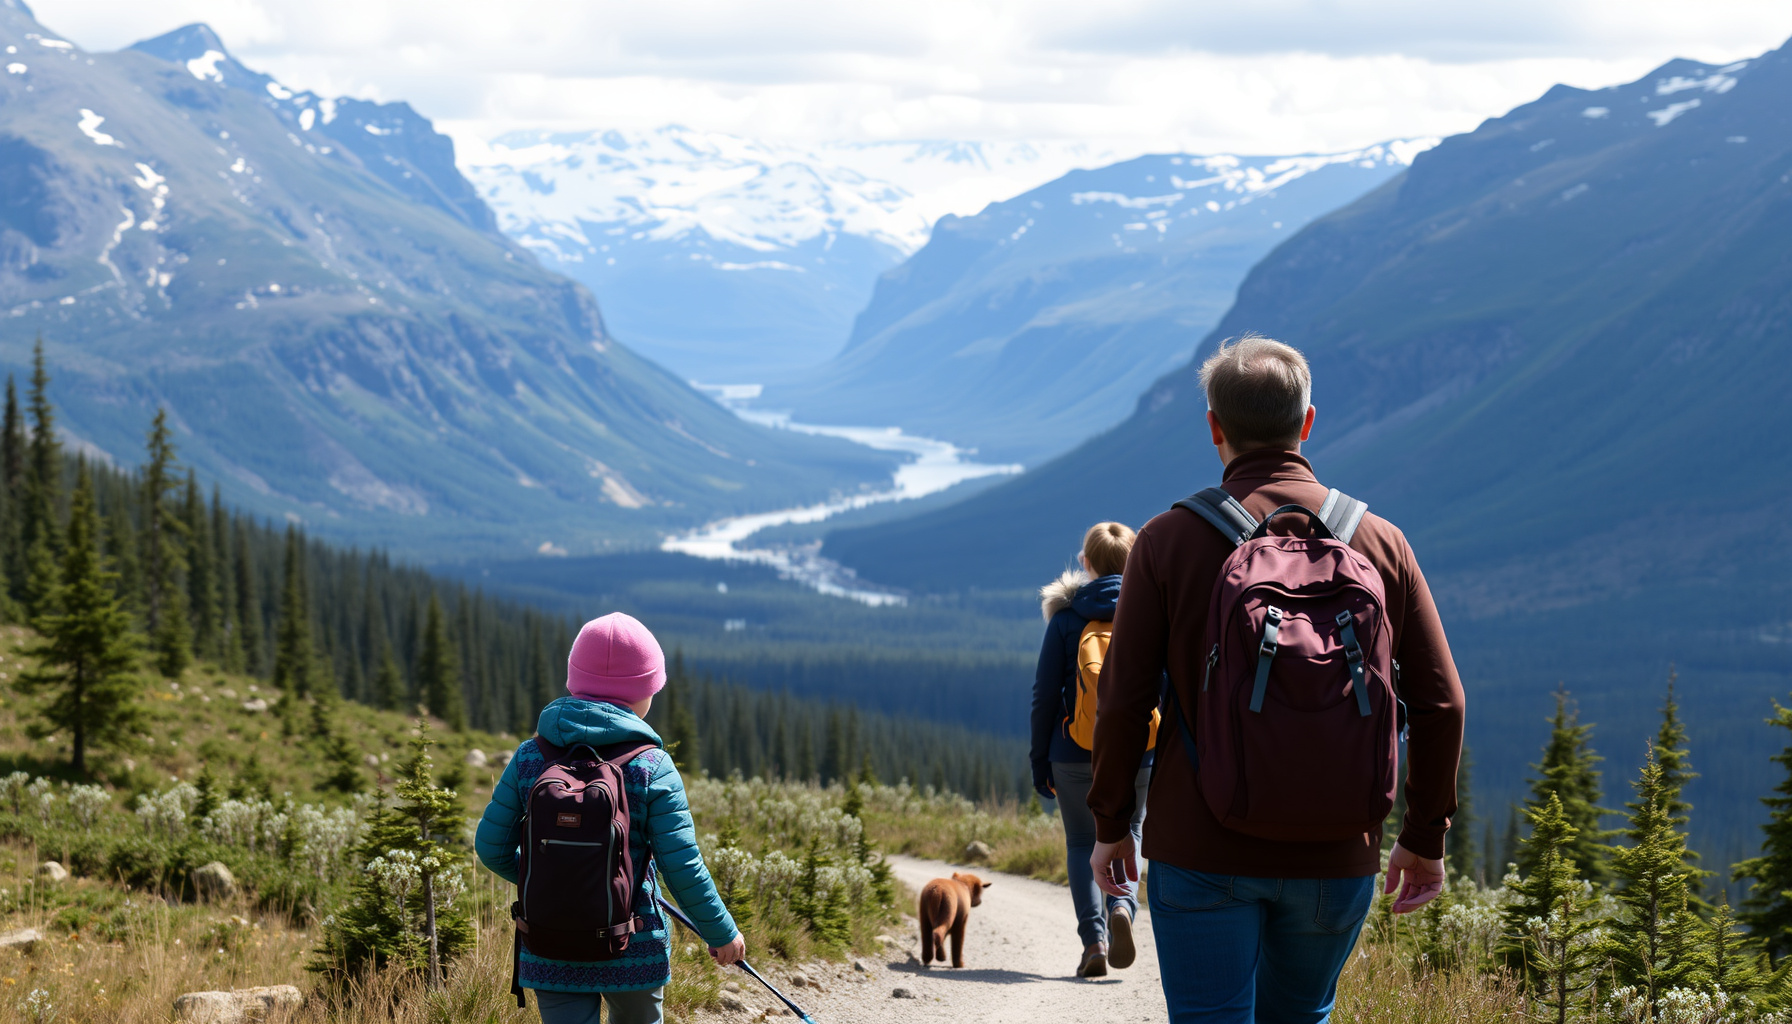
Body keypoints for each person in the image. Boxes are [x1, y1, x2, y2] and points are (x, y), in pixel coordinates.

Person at [1087, 336, 1465, 1023]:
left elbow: (1122, 701)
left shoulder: (1167, 542)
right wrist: (1424, 837)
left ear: (1214, 427)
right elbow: (1441, 703)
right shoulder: (1379, 542)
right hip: (1338, 850)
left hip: (1201, 846)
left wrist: (1113, 824)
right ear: (1308, 422)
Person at [476, 612, 745, 1024]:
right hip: (632, 947)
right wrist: (722, 933)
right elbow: (682, 866)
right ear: (645, 691)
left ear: (573, 679)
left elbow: (490, 849)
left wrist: (557, 880)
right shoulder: (653, 767)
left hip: (550, 944)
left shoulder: (530, 756)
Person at [1030, 521, 1152, 978]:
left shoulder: (1065, 619)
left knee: (1083, 842)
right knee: (1132, 829)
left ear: (1086, 563)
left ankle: (1095, 940)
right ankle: (1123, 905)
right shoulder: (1149, 612)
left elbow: (1044, 697)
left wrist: (1040, 762)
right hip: (1140, 751)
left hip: (1072, 751)